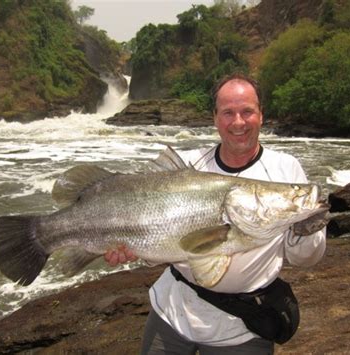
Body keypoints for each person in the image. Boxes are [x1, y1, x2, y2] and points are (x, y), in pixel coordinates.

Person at [105, 73, 326, 354]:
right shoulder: (188, 165)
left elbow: (306, 258)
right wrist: (132, 249)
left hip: (243, 328)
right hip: (172, 312)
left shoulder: (286, 169)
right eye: (228, 113)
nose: (238, 122)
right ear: (215, 118)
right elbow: (160, 238)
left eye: (247, 112)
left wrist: (304, 229)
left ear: (261, 115)